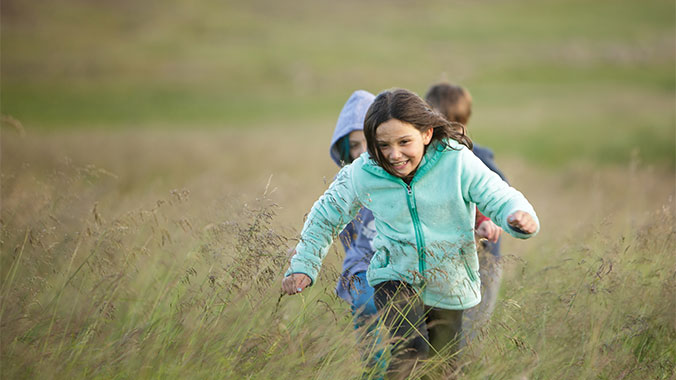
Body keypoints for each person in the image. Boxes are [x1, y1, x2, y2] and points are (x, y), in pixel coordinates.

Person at [282, 88, 539, 379]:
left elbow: (497, 194)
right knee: (411, 353)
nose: (394, 154)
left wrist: (517, 215)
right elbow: (325, 216)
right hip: (395, 276)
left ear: (427, 134)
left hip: (450, 280)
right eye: (382, 145)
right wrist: (304, 265)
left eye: (404, 142)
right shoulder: (364, 171)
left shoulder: (456, 161)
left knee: (443, 368)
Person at [425, 83, 508, 339]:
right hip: (443, 263)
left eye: (455, 125)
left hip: (483, 261)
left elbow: (499, 197)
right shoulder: (427, 160)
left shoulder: (478, 161)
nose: (448, 134)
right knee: (440, 334)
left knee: (470, 333)